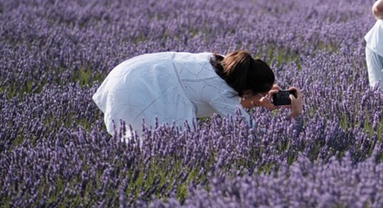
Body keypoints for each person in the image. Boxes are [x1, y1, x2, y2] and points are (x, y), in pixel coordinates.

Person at [93, 50, 303, 141]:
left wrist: (256, 101)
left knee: (157, 141)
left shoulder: (222, 63)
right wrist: (296, 114)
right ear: (247, 90)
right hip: (142, 88)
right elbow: (253, 135)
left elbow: (226, 100)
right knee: (159, 145)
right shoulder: (219, 91)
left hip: (132, 71)